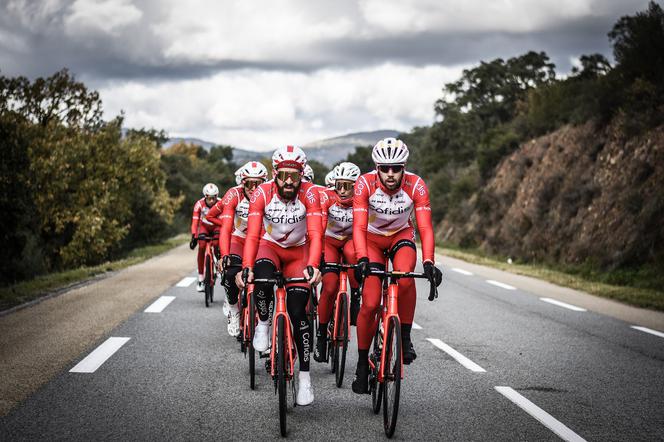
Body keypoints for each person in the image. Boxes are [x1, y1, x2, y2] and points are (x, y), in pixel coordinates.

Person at [351, 138, 442, 394]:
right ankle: (360, 364)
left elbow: (424, 227)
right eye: (384, 168)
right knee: (369, 303)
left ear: (404, 167)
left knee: (404, 279)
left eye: (396, 168)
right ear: (377, 167)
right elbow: (357, 226)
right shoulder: (364, 184)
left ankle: (404, 336)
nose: (390, 174)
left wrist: (429, 262)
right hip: (370, 240)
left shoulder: (417, 185)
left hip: (401, 235)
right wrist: (361, 259)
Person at [236, 145, 323, 406]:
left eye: (294, 176)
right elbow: (252, 235)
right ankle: (263, 324)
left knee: (298, 313)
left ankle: (305, 379)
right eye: (283, 175)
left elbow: (317, 235)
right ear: (275, 173)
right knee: (260, 279)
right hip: (269, 246)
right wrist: (246, 266)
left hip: (299, 252)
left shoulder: (310, 194)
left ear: (301, 176)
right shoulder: (262, 193)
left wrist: (314, 265)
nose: (288, 181)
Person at [205, 161, 268, 336]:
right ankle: (233, 309)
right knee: (230, 272)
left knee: (266, 278)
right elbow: (225, 229)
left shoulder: (270, 193)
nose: (254, 187)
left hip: (263, 240)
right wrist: (225, 255)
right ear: (242, 182)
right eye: (249, 183)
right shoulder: (234, 194)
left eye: (258, 183)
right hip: (239, 238)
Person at [314, 162, 361, 363]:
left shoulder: (362, 198)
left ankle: (356, 296)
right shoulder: (328, 198)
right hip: (330, 241)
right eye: (338, 185)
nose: (342, 190)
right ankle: (322, 337)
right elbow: (320, 225)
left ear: (356, 186)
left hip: (351, 241)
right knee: (330, 287)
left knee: (352, 254)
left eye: (347, 186)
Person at [190, 183, 221, 292]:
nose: (212, 201)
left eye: (214, 198)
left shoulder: (221, 203)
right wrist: (194, 236)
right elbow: (195, 221)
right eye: (209, 198)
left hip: (217, 226)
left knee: (217, 244)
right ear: (205, 196)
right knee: (202, 246)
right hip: (204, 227)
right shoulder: (199, 204)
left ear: (217, 197)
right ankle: (200, 278)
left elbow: (227, 220)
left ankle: (218, 266)